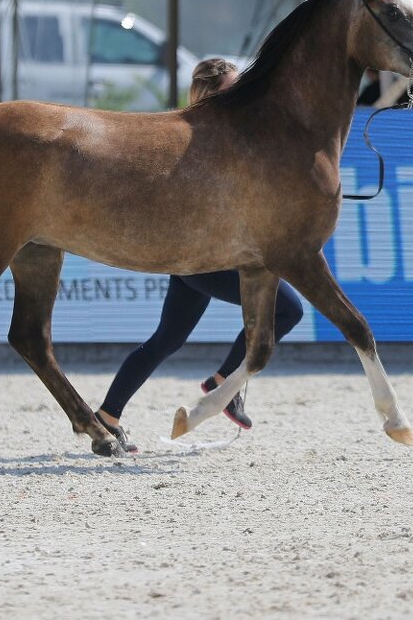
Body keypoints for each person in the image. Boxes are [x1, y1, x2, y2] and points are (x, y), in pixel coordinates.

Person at [95, 58, 305, 452]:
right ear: (212, 94)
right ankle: (224, 381)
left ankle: (107, 415)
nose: (243, 93)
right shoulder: (201, 136)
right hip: (204, 258)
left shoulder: (226, 132)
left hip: (194, 256)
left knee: (164, 342)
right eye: (233, 87)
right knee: (288, 311)